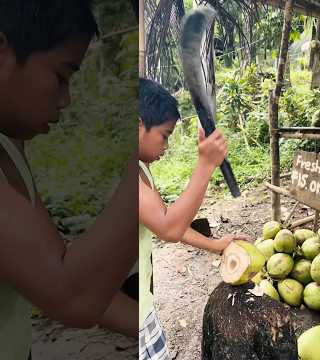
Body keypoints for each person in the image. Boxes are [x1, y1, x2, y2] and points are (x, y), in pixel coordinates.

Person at [0, 1, 139, 359]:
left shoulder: (11, 146)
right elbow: (71, 297)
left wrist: (152, 321)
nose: (65, 99)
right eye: (61, 76)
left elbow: (56, 273)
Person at [138, 78, 248, 360]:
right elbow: (169, 228)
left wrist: (218, 245)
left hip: (142, 308)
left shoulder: (140, 168)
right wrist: (206, 164)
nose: (167, 145)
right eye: (164, 135)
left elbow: (167, 222)